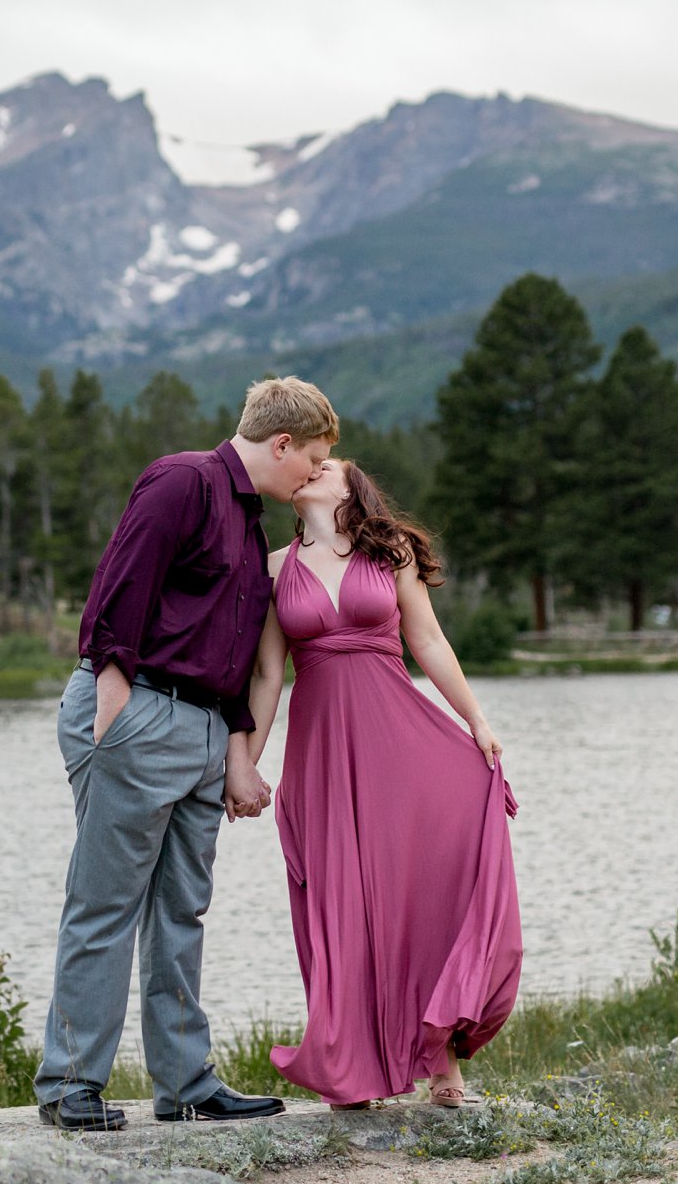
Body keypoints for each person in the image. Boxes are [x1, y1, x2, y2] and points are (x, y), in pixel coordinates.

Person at [36, 375, 339, 1132]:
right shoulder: (184, 480)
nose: (311, 473)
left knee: (181, 908)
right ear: (280, 443)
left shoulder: (244, 521)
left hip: (203, 727)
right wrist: (114, 706)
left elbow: (235, 649)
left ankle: (184, 1082)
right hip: (139, 713)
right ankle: (70, 1084)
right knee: (106, 901)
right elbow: (120, 584)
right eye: (312, 457)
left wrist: (232, 750)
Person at [243, 454, 521, 1109]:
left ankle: (439, 1055)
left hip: (398, 744)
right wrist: (245, 763)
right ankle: (350, 1066)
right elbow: (265, 676)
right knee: (339, 906)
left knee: (414, 892)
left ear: (352, 485)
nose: (313, 468)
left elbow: (427, 639)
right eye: (306, 462)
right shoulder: (274, 568)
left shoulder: (388, 550)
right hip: (321, 756)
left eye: (328, 463)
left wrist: (476, 719)